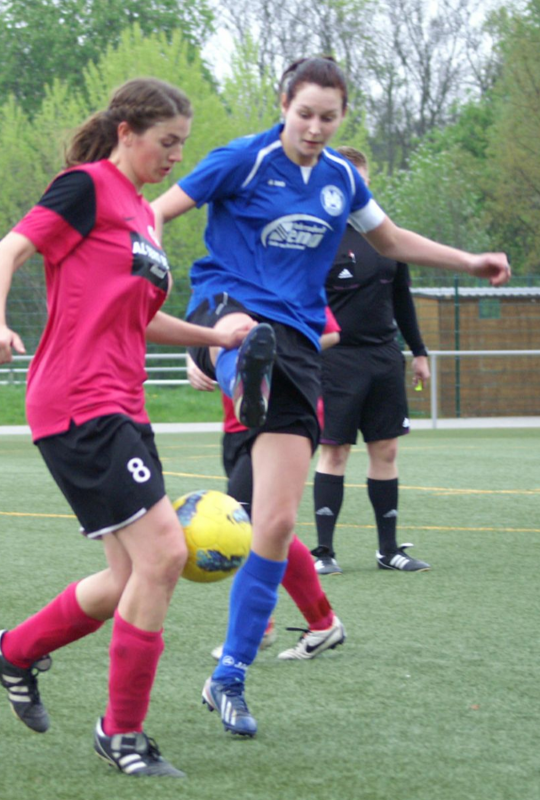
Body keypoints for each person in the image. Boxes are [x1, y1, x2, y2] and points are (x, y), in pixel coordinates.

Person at [152, 56, 510, 739]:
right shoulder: (243, 160)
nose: (315, 127)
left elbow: (392, 239)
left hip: (300, 340)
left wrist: (469, 261)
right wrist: (147, 270)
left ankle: (228, 675)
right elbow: (158, 210)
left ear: (342, 115)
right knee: (245, 338)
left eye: (328, 116)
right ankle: (226, 360)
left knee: (276, 524)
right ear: (282, 103)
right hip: (231, 308)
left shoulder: (342, 179)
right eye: (304, 113)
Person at [0, 77, 253, 779]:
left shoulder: (143, 216)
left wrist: (213, 337)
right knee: (162, 556)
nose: (175, 157)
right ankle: (122, 734)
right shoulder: (86, 187)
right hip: (76, 400)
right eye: (167, 143)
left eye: (182, 145)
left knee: (129, 574)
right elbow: (3, 254)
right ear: (126, 132)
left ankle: (12, 650)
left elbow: (138, 316)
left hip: (122, 404)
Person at [186, 303, 341, 662]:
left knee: (248, 521)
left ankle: (264, 628)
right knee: (263, 525)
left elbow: (331, 331)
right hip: (237, 420)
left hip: (279, 420)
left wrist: (271, 357)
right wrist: (194, 361)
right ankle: (315, 623)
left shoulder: (282, 274)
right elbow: (199, 332)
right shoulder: (219, 278)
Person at [312, 146, 431, 576]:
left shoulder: (388, 238)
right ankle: (324, 553)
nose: (354, 189)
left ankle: (388, 550)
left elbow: (403, 300)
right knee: (335, 452)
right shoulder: (318, 237)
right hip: (336, 360)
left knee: (386, 449)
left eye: (360, 181)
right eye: (346, 181)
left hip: (384, 357)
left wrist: (419, 352)